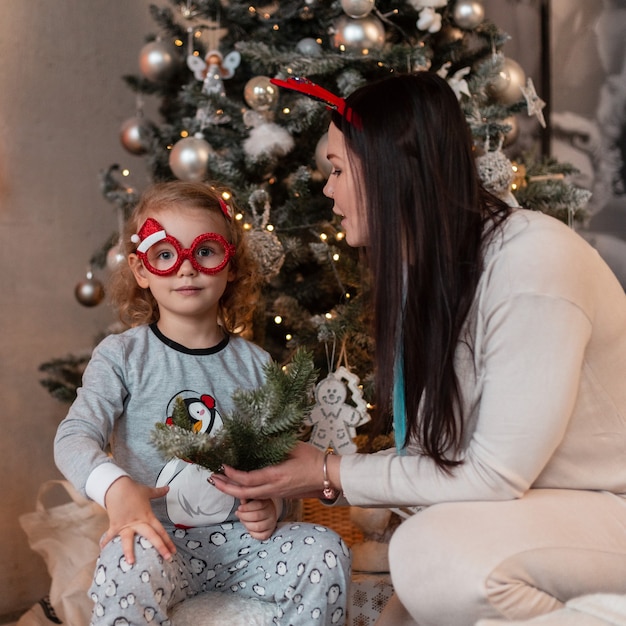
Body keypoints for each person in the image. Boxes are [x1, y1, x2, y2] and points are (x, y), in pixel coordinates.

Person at [210, 73, 626, 626]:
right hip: (552, 510)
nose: (328, 192)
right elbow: (441, 468)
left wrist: (328, 471)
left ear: (389, 168)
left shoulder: (532, 261)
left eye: (336, 170)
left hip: (608, 508)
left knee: (431, 551)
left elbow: (492, 476)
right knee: (425, 559)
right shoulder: (431, 277)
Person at [54, 181, 351, 626]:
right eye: (165, 254)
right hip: (157, 540)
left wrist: (273, 506)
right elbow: (73, 438)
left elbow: (280, 464)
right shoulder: (122, 357)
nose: (186, 269)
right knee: (125, 564)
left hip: (244, 544)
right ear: (141, 270)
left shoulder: (256, 365)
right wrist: (116, 490)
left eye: (206, 251)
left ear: (231, 265)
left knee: (327, 551)